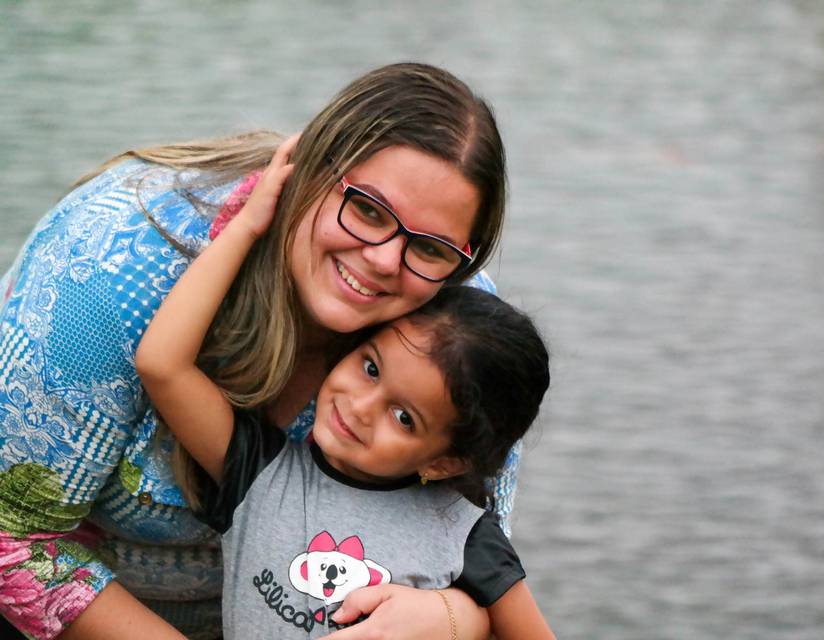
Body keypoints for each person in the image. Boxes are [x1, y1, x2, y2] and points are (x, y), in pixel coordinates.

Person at [0, 63, 519, 639]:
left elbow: (485, 572)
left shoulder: (465, 346)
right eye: (367, 209)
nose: (383, 260)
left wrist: (453, 618)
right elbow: (9, 535)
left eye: (430, 247)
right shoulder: (110, 265)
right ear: (308, 169)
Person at [134, 143, 554, 639]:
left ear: (445, 462)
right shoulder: (260, 473)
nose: (360, 406)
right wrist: (248, 226)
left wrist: (456, 621)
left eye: (404, 417)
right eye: (371, 368)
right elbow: (161, 364)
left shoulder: (463, 534)